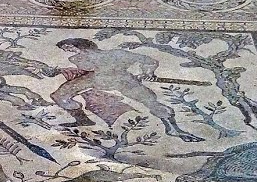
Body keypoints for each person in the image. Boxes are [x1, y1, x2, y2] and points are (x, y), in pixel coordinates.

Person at [51, 38, 203, 142]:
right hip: (94, 79)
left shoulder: (117, 54)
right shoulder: (76, 59)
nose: (67, 51)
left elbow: (148, 61)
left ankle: (174, 129)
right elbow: (87, 70)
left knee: (150, 101)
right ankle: (83, 120)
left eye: (68, 47)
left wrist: (148, 73)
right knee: (60, 96)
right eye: (66, 49)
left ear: (80, 45)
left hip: (122, 80)